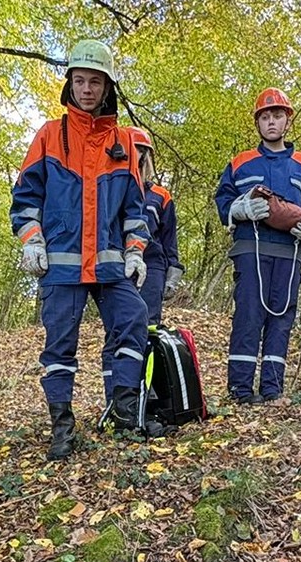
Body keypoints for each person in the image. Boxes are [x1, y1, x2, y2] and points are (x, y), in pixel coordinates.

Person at [10, 38, 159, 459]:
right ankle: (62, 425)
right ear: (70, 83)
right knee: (60, 344)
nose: (87, 89)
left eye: (95, 81)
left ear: (107, 86)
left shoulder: (125, 143)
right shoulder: (49, 136)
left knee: (133, 319)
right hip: (60, 264)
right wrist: (31, 240)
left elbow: (135, 207)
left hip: (111, 263)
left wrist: (134, 250)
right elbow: (25, 199)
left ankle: (125, 410)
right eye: (80, 80)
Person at [214, 89, 301, 403]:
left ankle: (272, 389)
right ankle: (240, 390)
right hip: (251, 250)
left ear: (287, 120)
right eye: (265, 117)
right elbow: (222, 200)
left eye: (277, 115)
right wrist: (237, 209)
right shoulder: (240, 163)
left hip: (289, 253)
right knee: (249, 316)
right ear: (258, 123)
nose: (271, 121)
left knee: (282, 319)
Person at [129, 127, 183, 324]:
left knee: (149, 323)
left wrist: (173, 271)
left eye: (137, 149)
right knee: (120, 325)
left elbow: (169, 237)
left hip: (152, 264)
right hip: (119, 263)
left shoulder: (160, 196)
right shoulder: (111, 190)